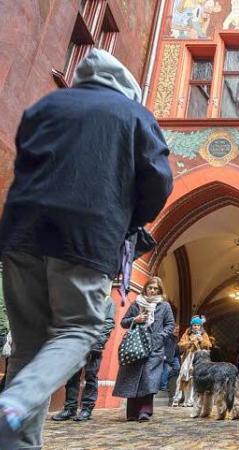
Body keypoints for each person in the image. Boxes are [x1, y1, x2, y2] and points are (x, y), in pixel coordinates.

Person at [0, 48, 172, 449]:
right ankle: (15, 401)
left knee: (29, 346)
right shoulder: (133, 115)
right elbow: (159, 182)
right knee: (83, 326)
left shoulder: (47, 105)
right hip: (85, 236)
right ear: (126, 87)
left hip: (20, 234)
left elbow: (26, 159)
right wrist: (128, 223)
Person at [113, 276, 175, 422]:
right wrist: (135, 319)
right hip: (136, 346)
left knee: (149, 379)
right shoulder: (136, 304)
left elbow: (170, 324)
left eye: (156, 289)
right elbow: (123, 322)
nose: (152, 291)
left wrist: (160, 337)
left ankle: (145, 411)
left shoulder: (164, 306)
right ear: (145, 288)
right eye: (150, 288)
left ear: (159, 291)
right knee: (133, 377)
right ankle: (132, 413)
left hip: (154, 347)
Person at [51, 297, 116, 422]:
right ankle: (70, 408)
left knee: (91, 377)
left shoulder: (107, 300)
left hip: (94, 343)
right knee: (72, 376)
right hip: (76, 342)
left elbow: (108, 322)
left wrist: (99, 341)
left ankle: (87, 408)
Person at [173, 316, 212, 407]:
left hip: (198, 358)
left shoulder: (204, 334)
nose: (196, 327)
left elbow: (209, 345)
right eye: (194, 325)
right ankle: (178, 399)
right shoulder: (187, 334)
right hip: (188, 358)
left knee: (194, 379)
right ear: (192, 325)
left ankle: (191, 400)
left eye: (198, 325)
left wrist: (201, 341)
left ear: (200, 326)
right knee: (183, 377)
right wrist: (190, 342)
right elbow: (181, 344)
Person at [160, 324, 180, 404]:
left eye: (178, 329)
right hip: (166, 356)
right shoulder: (167, 336)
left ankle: (166, 380)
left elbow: (176, 348)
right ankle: (163, 386)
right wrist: (163, 355)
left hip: (173, 356)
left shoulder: (175, 338)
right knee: (166, 370)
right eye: (175, 329)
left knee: (177, 368)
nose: (177, 330)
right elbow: (163, 346)